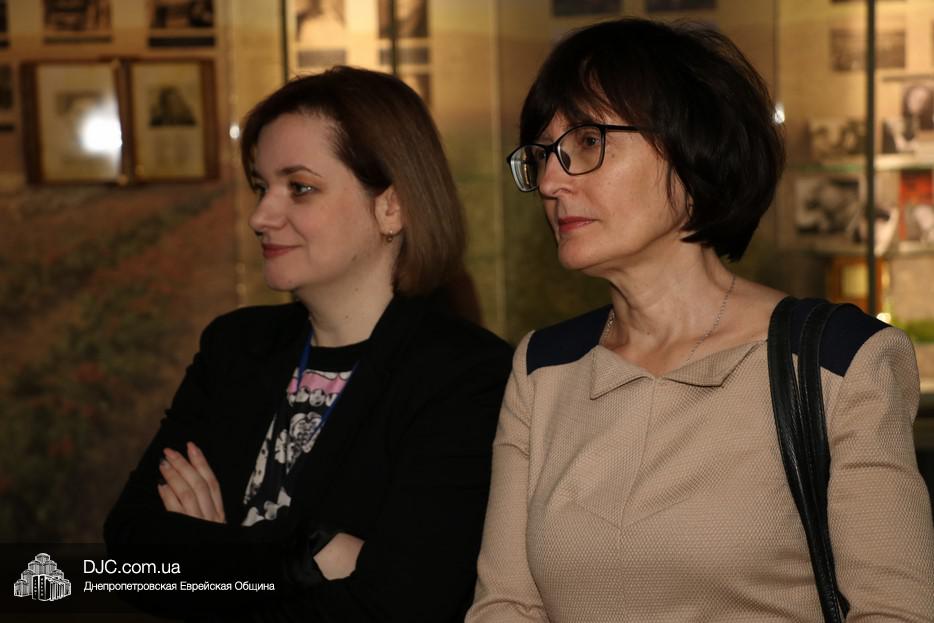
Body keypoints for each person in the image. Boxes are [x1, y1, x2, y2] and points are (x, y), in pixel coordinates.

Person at [467, 18, 934, 622]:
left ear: (692, 151)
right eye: (542, 154)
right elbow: (505, 605)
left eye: (587, 142)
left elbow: (896, 611)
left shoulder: (836, 362)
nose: (552, 182)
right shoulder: (543, 369)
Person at [105, 66, 513, 622]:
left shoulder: (463, 376)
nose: (260, 216)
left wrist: (211, 553)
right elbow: (129, 554)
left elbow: (401, 606)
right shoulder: (236, 347)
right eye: (260, 187)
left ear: (391, 206)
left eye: (299, 188)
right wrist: (308, 552)